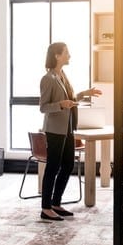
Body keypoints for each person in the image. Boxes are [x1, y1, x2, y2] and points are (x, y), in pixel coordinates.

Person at [39, 42, 102, 221]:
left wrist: (84, 94)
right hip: (55, 130)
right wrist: (60, 105)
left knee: (67, 165)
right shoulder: (48, 78)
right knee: (52, 167)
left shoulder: (62, 75)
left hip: (68, 128)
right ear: (57, 56)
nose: (69, 56)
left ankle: (56, 203)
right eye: (66, 53)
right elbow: (43, 107)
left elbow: (70, 99)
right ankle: (45, 208)